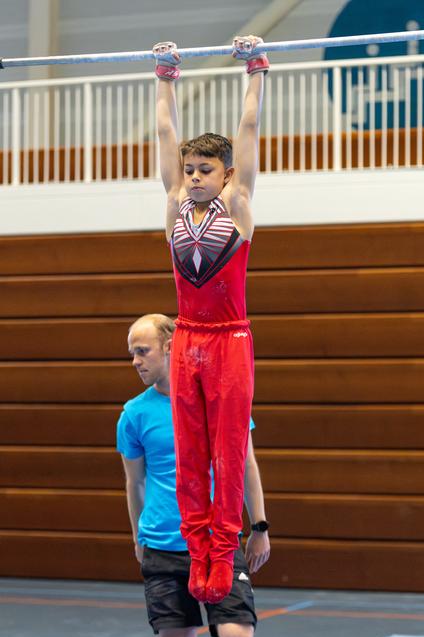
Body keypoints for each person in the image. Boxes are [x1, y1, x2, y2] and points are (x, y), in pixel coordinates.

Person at [153, 35, 268, 603]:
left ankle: (222, 549)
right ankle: (197, 549)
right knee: (189, 451)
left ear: (225, 175)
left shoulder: (239, 202)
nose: (194, 176)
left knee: (226, 449)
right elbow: (164, 136)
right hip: (189, 338)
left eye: (205, 169)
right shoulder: (175, 204)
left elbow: (247, 133)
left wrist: (255, 69)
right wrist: (164, 77)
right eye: (189, 169)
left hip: (229, 340)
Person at [117, 314, 270, 637]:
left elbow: (246, 464)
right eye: (132, 353)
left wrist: (259, 525)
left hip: (219, 541)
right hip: (162, 545)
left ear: (170, 347)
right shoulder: (133, 415)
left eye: (143, 351)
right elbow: (135, 483)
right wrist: (137, 539)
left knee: (236, 633)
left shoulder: (220, 401)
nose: (135, 361)